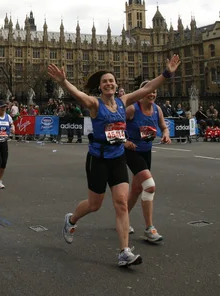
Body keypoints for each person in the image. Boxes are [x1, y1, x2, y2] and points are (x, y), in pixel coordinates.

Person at [47, 53, 180, 267]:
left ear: (116, 85)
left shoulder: (123, 101)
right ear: (100, 87)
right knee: (94, 204)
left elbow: (147, 89)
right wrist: (63, 82)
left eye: (111, 80)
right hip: (98, 159)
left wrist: (166, 74)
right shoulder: (94, 104)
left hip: (117, 157)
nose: (108, 83)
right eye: (104, 81)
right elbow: (78, 94)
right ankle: (71, 220)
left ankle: (124, 252)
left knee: (121, 204)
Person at [124, 80, 171, 242]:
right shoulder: (132, 109)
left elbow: (164, 126)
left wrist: (165, 133)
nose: (152, 94)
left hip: (146, 152)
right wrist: (124, 141)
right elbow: (113, 125)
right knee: (149, 186)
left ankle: (122, 218)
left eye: (154, 92)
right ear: (141, 92)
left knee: (137, 189)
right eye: (149, 91)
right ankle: (149, 228)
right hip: (131, 151)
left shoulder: (157, 110)